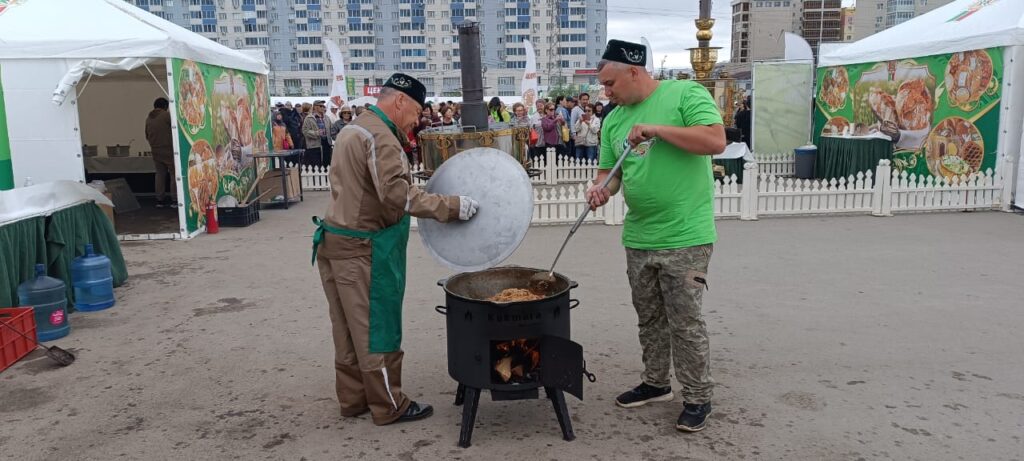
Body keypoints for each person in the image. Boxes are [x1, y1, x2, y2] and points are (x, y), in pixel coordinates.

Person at [311, 73, 479, 426]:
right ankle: (390, 405)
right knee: (377, 329)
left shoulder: (355, 127)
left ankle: (354, 399)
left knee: (347, 329)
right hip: (364, 247)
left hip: (336, 240)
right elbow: (397, 195)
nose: (417, 120)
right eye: (416, 111)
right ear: (400, 101)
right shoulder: (381, 136)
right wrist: (452, 206)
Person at [585, 39, 726, 433]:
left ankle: (697, 397)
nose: (606, 93)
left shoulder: (684, 94)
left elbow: (715, 141)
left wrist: (656, 130)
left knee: (685, 321)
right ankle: (656, 382)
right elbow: (610, 173)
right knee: (649, 318)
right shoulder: (614, 120)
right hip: (639, 236)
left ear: (634, 71)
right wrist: (600, 190)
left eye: (610, 84)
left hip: (685, 235)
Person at [145, 97, 176, 208]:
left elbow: (146, 135)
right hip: (169, 150)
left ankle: (160, 199)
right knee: (174, 174)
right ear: (165, 106)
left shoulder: (149, 118)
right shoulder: (166, 116)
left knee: (160, 174)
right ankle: (175, 199)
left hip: (155, 150)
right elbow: (176, 129)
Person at [303, 101, 333, 166]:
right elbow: (305, 131)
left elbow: (332, 129)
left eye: (324, 106)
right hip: (314, 145)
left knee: (326, 163)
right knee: (316, 165)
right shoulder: (309, 118)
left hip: (326, 143)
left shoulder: (327, 118)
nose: (323, 108)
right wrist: (316, 133)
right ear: (315, 107)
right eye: (321, 106)